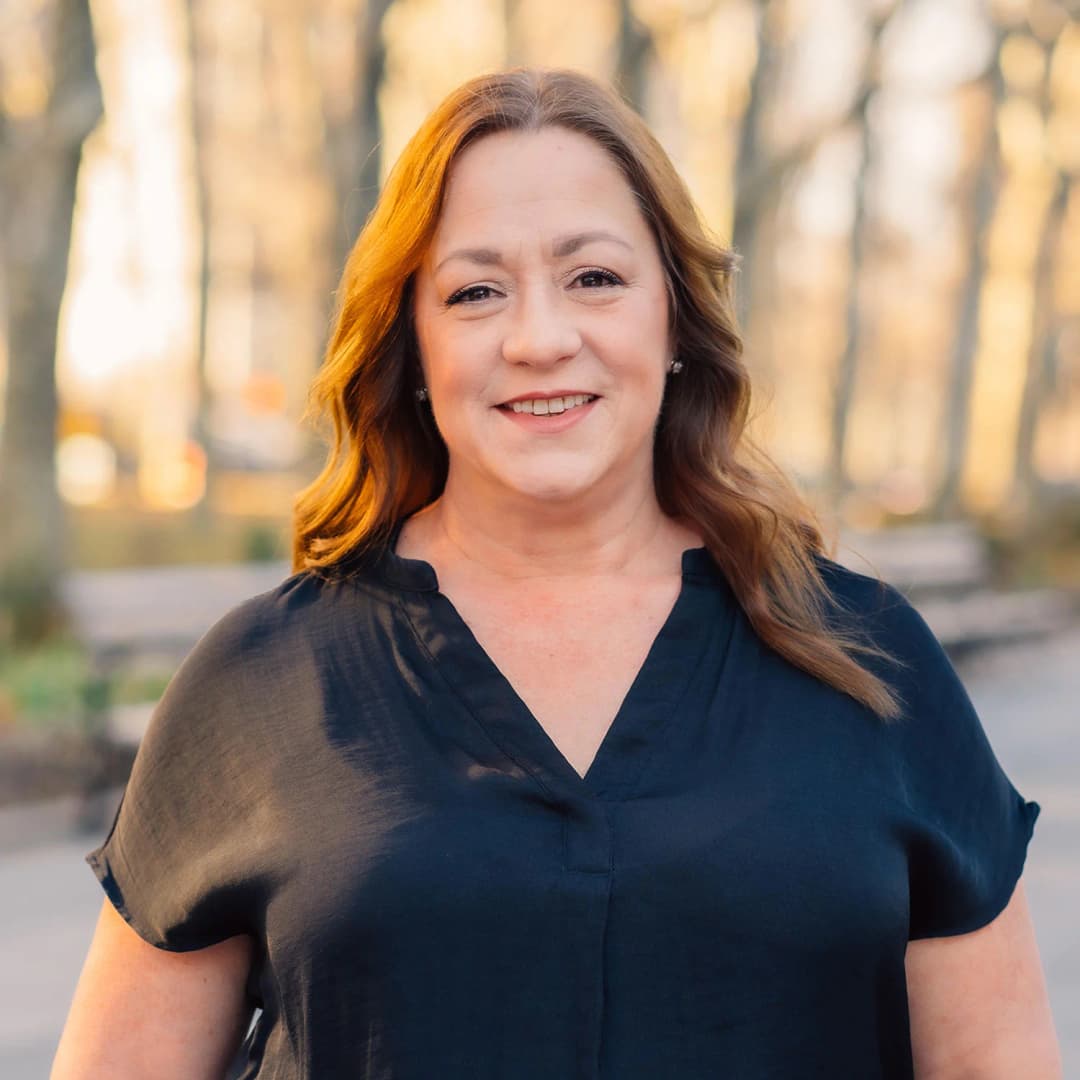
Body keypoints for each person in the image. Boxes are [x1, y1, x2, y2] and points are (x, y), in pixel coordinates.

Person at [52, 67, 1061, 1079]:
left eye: (595, 278)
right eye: (476, 291)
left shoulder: (871, 667)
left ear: (674, 319)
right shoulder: (263, 684)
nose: (539, 339)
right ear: (412, 345)